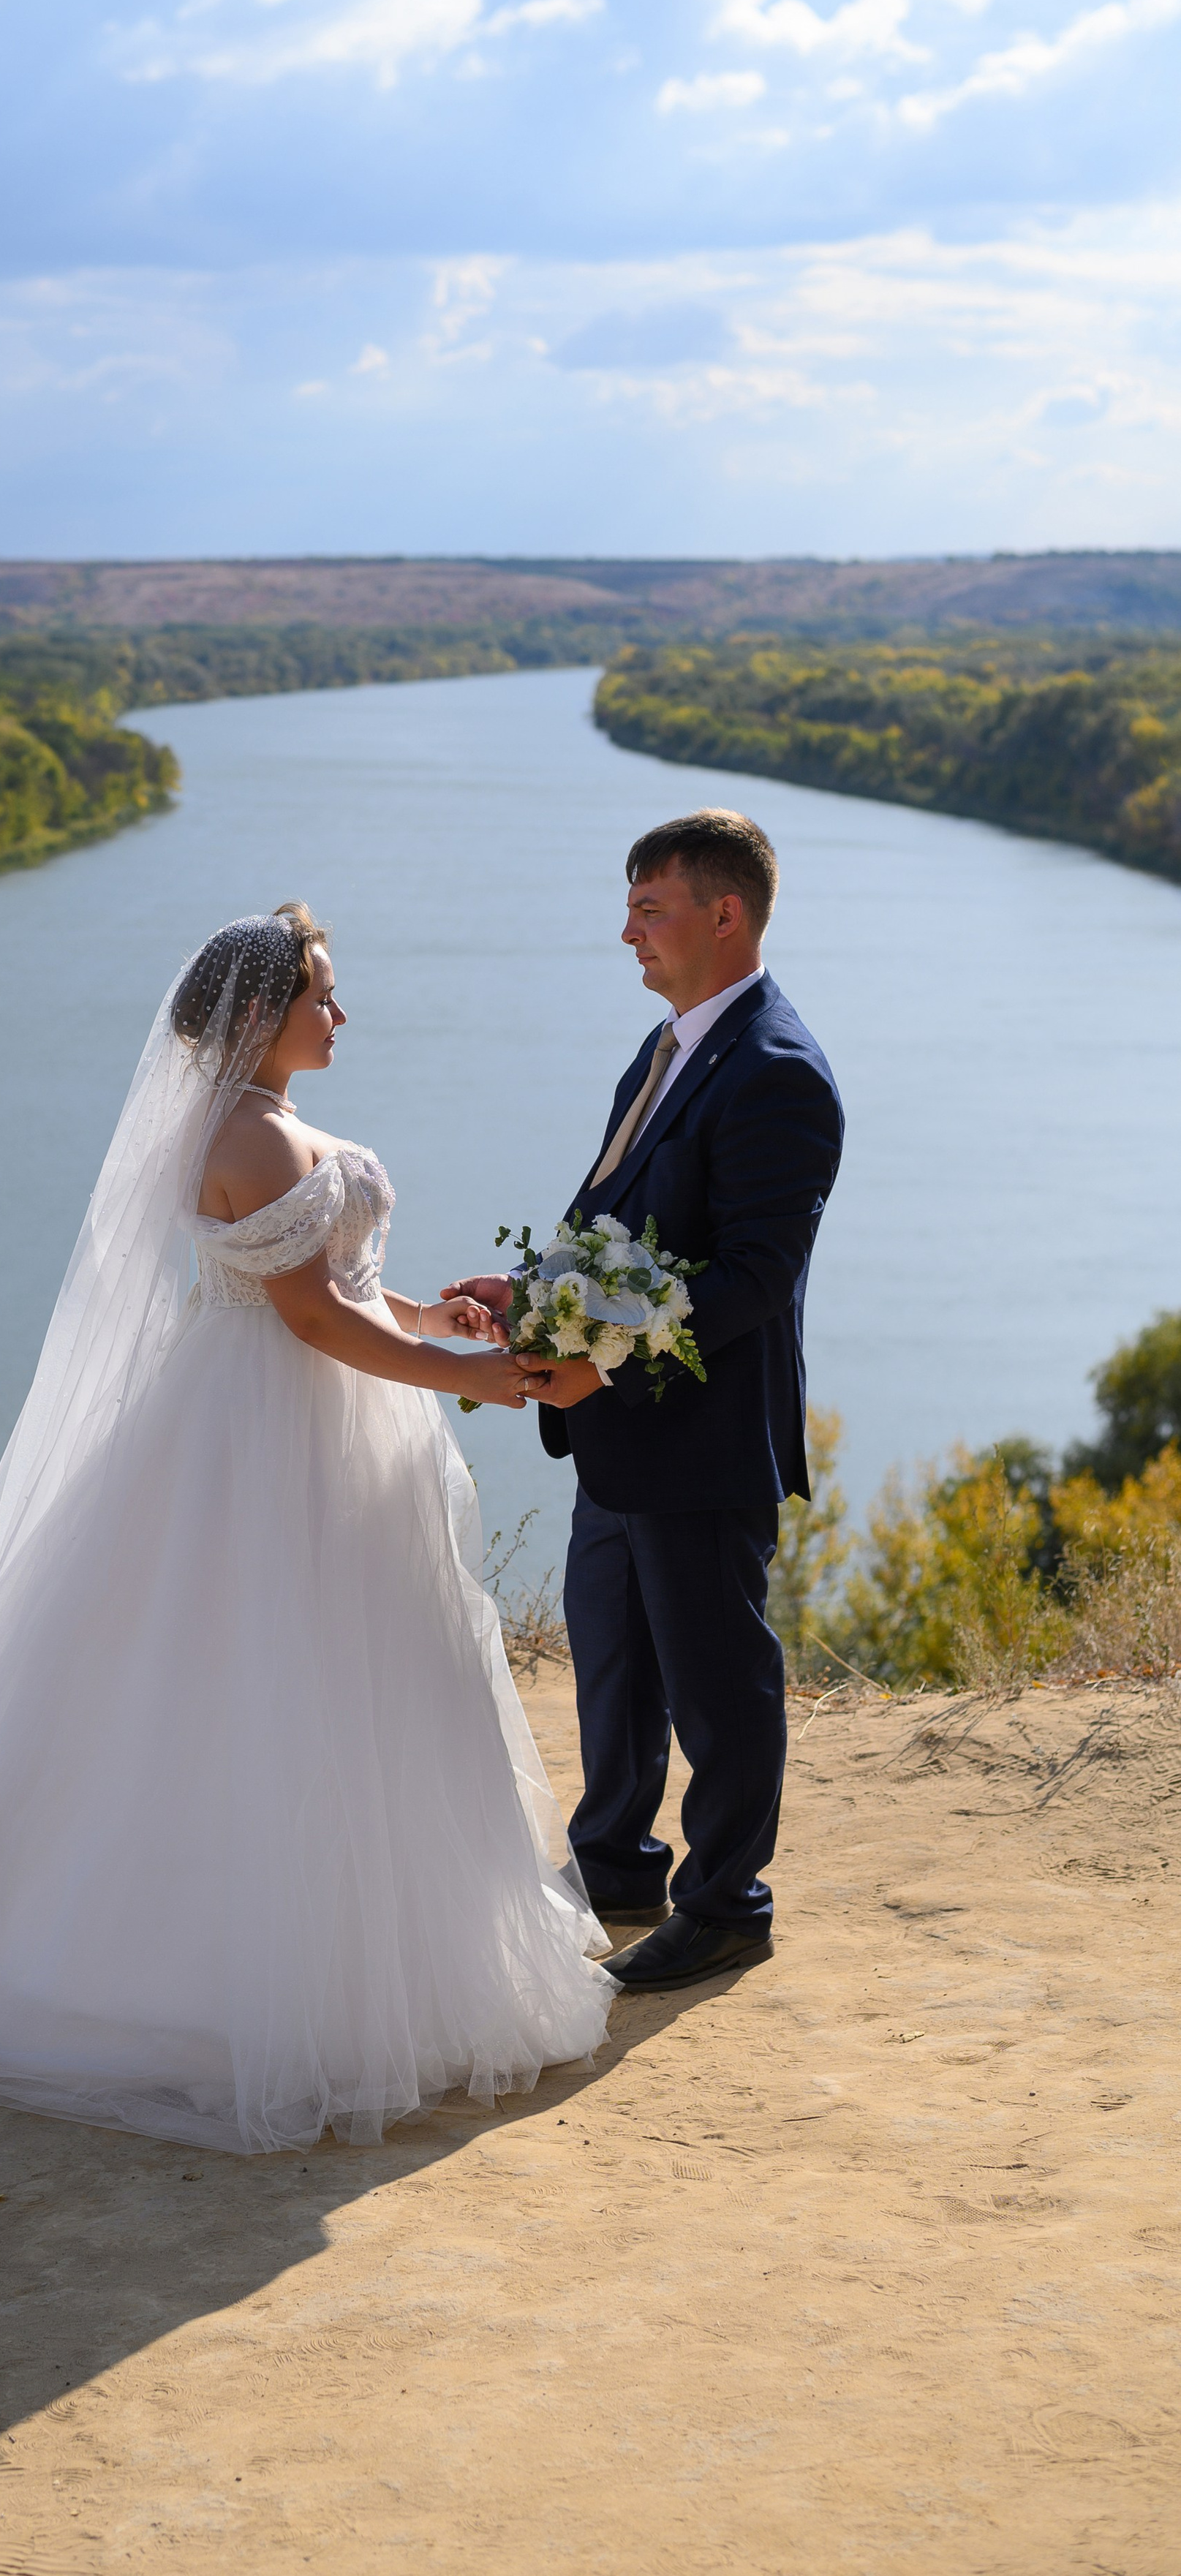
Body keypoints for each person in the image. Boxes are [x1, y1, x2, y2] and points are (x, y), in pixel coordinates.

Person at [0, 905, 614, 2152]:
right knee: (245, 1683)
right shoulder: (245, 1135)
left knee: (352, 1677)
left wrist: (433, 1320)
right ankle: (202, 1987)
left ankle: (370, 1956)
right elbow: (310, 1320)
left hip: (320, 1423)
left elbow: (347, 1291)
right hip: (265, 1433)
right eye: (320, 992)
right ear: (259, 1011)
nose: (340, 1011)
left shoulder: (269, 1122)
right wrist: (465, 1379)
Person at [448, 812, 845, 1993]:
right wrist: (528, 1300)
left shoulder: (778, 1072)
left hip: (704, 1442)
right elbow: (612, 1227)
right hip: (621, 1439)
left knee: (720, 1682)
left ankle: (726, 1908)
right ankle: (615, 1864)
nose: (628, 931)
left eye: (648, 908)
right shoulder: (666, 1047)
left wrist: (605, 1363)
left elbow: (755, 1278)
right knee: (616, 1658)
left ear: (726, 914)